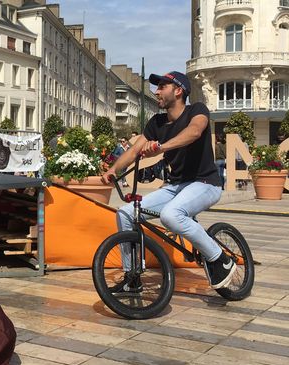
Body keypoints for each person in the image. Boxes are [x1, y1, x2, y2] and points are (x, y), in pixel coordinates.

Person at [101, 71, 236, 291]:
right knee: (125, 214)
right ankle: (132, 276)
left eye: (162, 86)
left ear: (179, 90)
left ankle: (220, 258)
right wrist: (113, 170)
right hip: (175, 187)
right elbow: (135, 149)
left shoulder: (197, 110)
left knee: (170, 215)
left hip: (205, 184)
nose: (156, 92)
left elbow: (194, 132)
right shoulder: (157, 122)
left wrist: (161, 147)